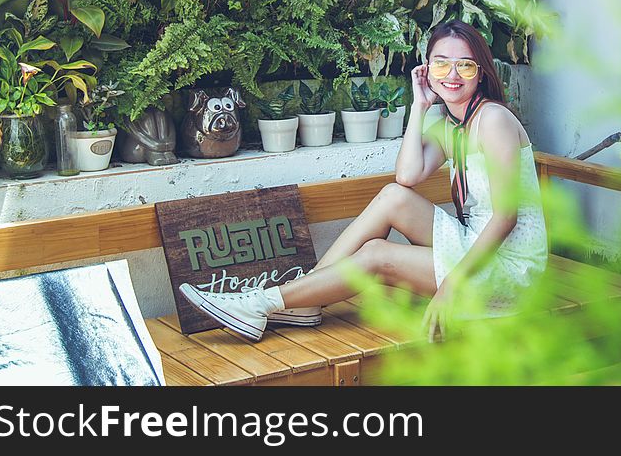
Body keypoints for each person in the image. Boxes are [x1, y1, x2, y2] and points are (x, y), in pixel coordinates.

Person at [179, 20, 548, 343]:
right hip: (472, 244)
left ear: (480, 72)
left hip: (507, 268)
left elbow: (505, 217)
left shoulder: (493, 120)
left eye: (464, 65)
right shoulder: (450, 125)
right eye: (441, 63)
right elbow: (407, 177)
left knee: (375, 255)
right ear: (427, 70)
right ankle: (302, 301)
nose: (452, 75)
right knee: (393, 196)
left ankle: (264, 302)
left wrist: (451, 285)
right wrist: (419, 107)